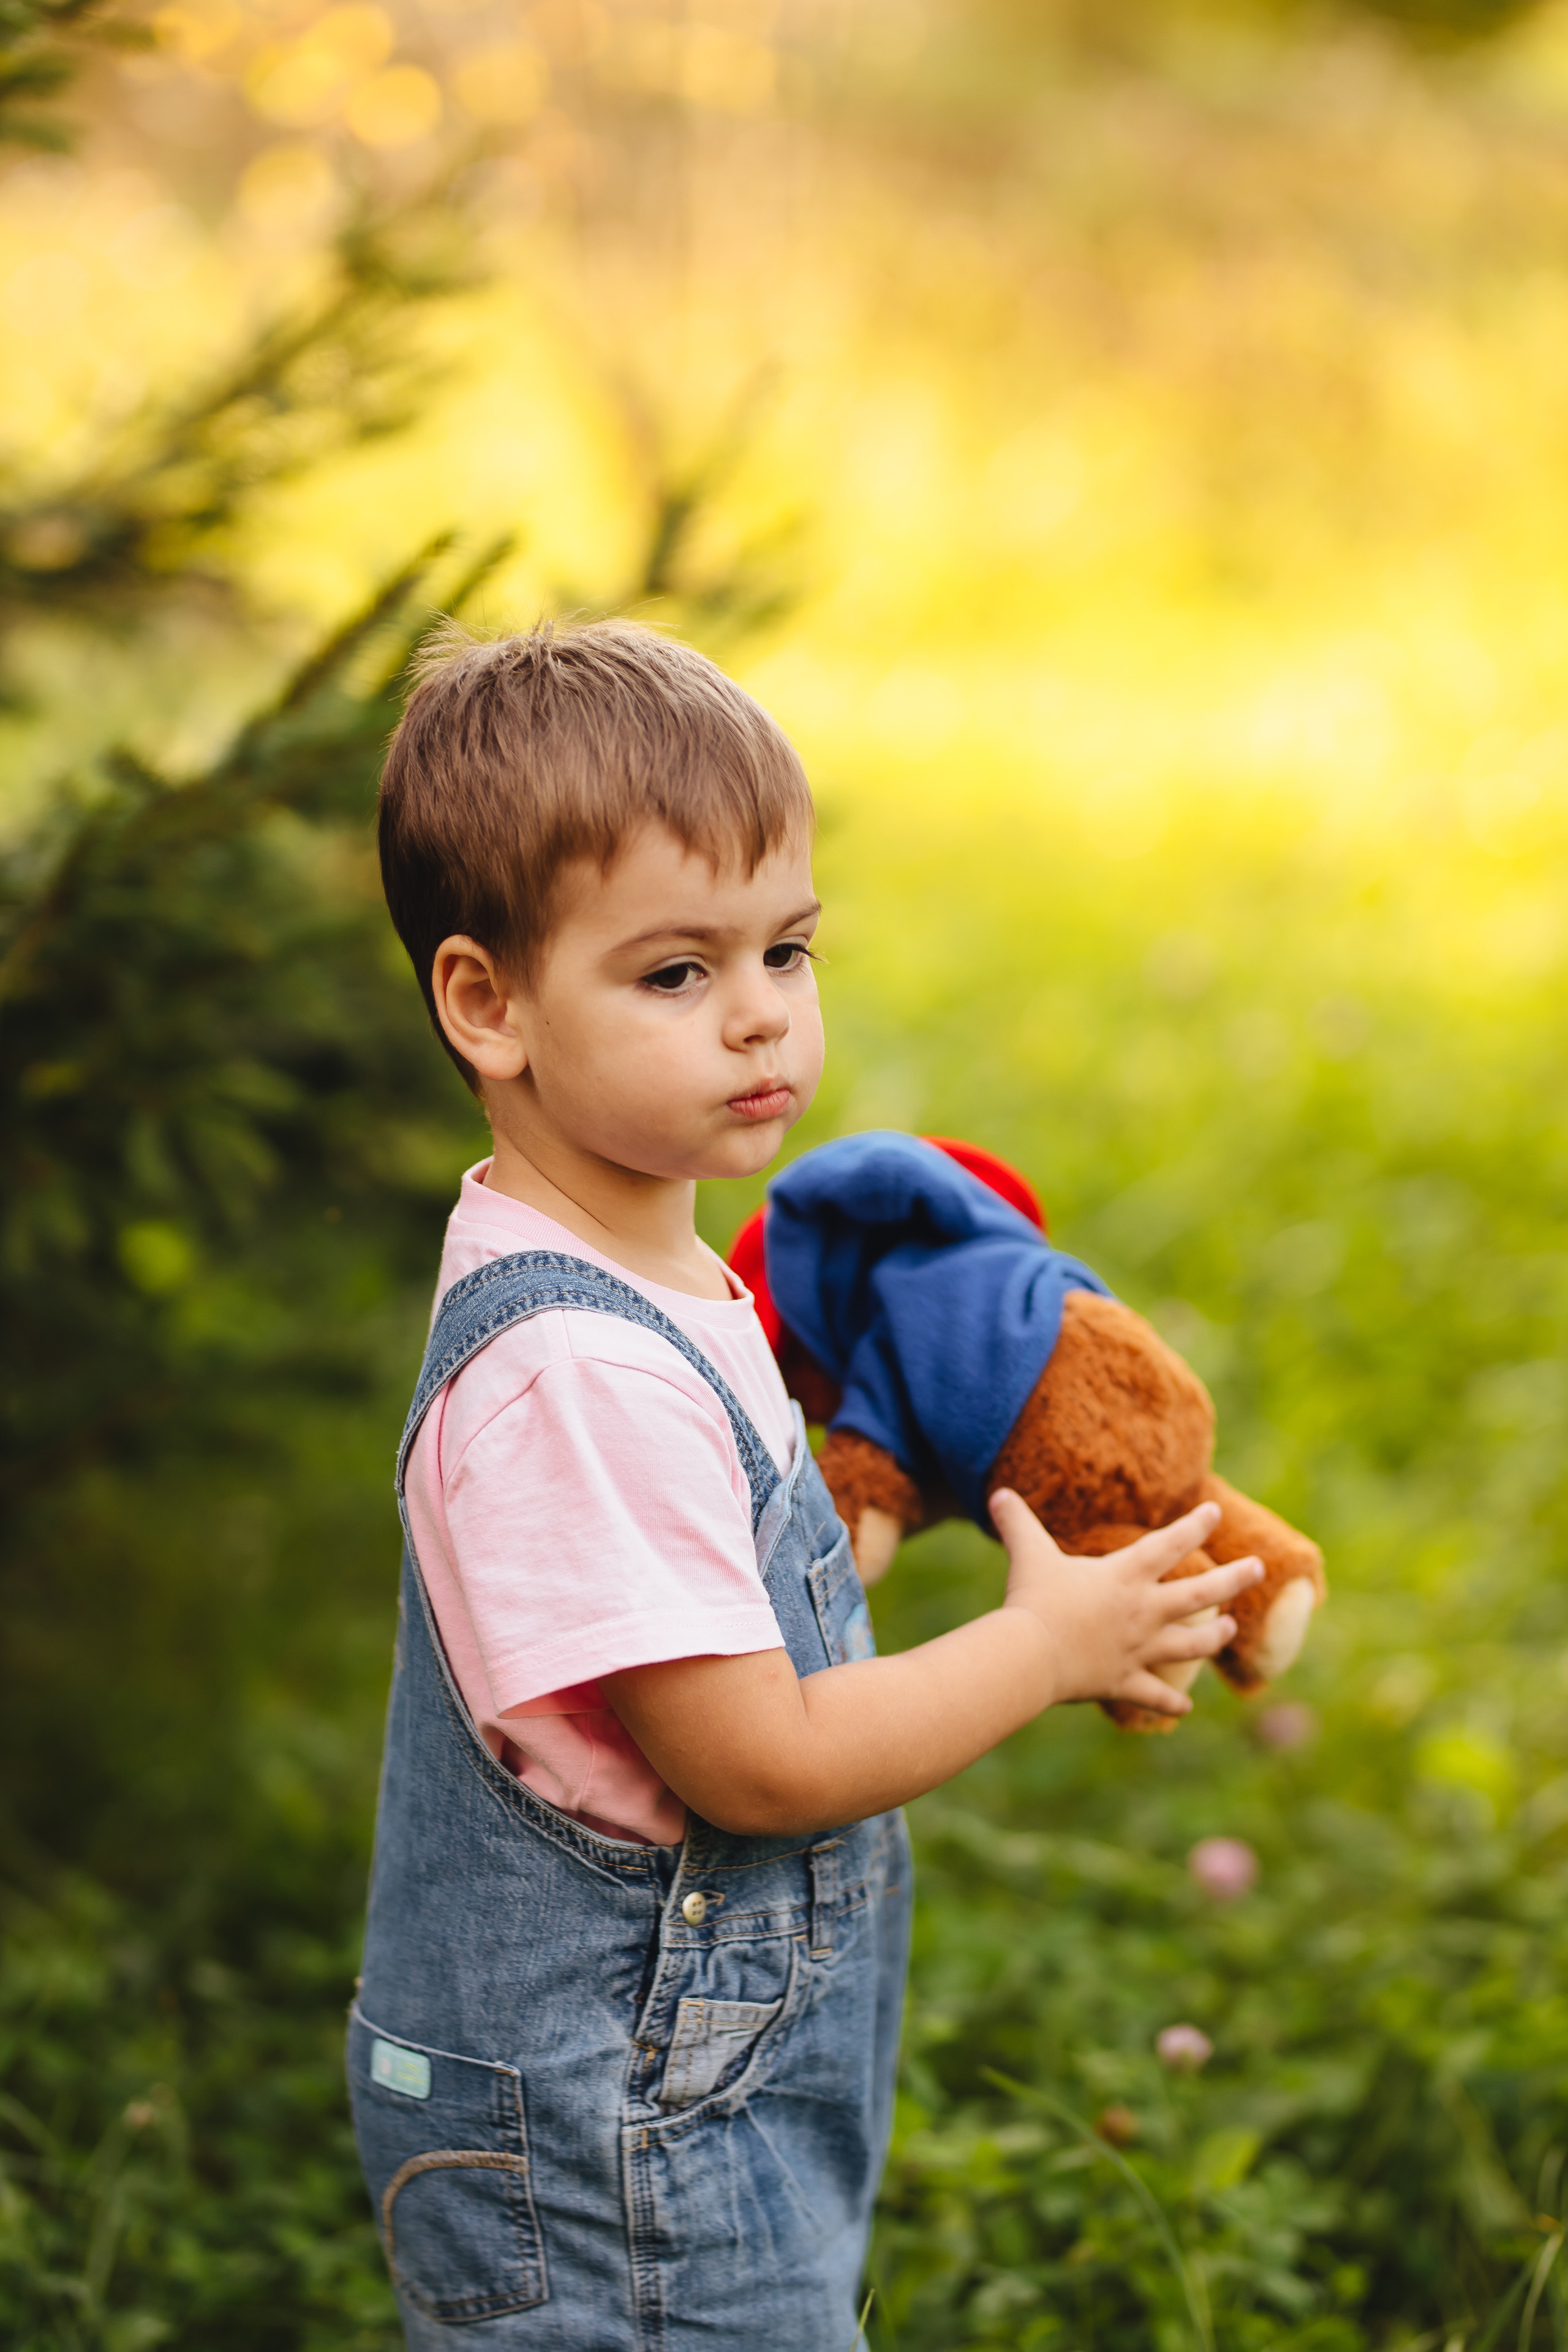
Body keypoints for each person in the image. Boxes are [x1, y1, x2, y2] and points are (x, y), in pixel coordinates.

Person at [350, 617, 1263, 2351]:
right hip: (616, 2153)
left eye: (786, 947)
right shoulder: (573, 1374)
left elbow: (709, 1594)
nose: (762, 1015)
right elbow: (754, 1760)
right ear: (488, 1002)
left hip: (678, 2105)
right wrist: (1042, 1649)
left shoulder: (657, 1280)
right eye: (676, 975)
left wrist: (870, 1499)